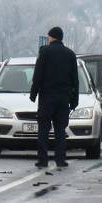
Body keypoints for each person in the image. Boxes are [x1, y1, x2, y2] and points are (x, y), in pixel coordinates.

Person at [29, 26, 78, 168]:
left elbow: (38, 75)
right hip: (63, 98)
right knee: (60, 130)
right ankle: (60, 159)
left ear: (51, 37)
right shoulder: (70, 54)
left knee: (43, 129)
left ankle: (43, 160)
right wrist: (74, 100)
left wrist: (33, 93)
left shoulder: (45, 52)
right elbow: (75, 79)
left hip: (47, 97)